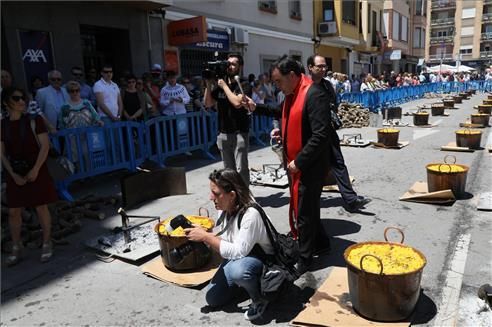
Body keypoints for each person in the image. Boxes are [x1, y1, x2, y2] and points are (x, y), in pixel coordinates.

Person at [184, 168, 273, 321]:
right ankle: (245, 284)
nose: (211, 197)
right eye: (211, 192)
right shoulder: (224, 206)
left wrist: (206, 237)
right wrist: (202, 234)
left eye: (216, 193)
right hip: (240, 255)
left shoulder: (251, 214)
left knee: (237, 270)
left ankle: (259, 299)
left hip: (262, 260)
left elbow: (238, 251)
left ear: (232, 195)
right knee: (213, 299)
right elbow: (226, 239)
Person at [306, 54, 370, 212]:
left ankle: (351, 199)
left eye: (324, 66)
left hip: (328, 132)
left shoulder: (327, 85)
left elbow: (335, 103)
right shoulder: (305, 87)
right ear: (310, 68)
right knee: (312, 170)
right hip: (311, 136)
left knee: (339, 164)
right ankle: (307, 202)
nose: (322, 69)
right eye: (319, 66)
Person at [1, 87, 57, 266]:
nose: (21, 101)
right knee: (13, 211)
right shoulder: (2, 125)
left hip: (36, 168)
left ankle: (47, 242)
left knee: (41, 207)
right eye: (16, 98)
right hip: (15, 171)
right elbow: (1, 154)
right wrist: (13, 174)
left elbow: (45, 146)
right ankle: (17, 246)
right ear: (5, 103)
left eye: (23, 98)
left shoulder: (35, 120)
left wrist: (35, 170)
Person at [203, 52, 252, 185]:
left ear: (240, 66)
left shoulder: (243, 84)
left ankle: (246, 196)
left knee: (242, 168)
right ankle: (234, 197)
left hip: (239, 132)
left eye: (233, 64)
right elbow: (208, 103)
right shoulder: (220, 85)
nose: (230, 66)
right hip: (224, 133)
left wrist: (224, 86)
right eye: (228, 64)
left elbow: (237, 103)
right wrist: (208, 84)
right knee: (228, 170)